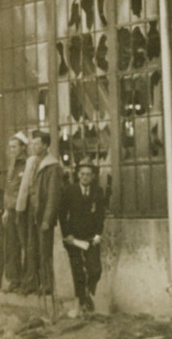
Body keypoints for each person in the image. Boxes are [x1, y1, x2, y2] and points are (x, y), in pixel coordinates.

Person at [59, 161, 108, 314]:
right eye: (82, 174)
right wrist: (67, 235)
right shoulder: (69, 191)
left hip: (91, 237)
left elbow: (101, 215)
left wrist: (99, 234)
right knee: (78, 271)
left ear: (93, 177)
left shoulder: (97, 192)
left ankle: (88, 290)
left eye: (88, 174)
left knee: (95, 269)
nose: (85, 177)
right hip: (73, 238)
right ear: (78, 175)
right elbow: (62, 214)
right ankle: (82, 301)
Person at [19, 131, 63, 296]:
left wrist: (48, 219)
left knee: (44, 251)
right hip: (30, 211)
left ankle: (46, 285)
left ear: (45, 146)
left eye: (37, 144)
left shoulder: (53, 167)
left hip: (43, 214)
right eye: (32, 144)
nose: (33, 146)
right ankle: (32, 282)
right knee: (31, 248)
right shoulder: (31, 162)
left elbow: (53, 196)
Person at [1, 132, 29, 291]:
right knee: (11, 246)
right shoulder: (12, 164)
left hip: (22, 210)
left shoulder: (28, 164)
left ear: (23, 148)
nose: (11, 150)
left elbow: (23, 190)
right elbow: (8, 188)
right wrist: (6, 209)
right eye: (10, 147)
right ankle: (14, 280)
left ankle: (26, 281)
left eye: (14, 147)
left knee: (25, 245)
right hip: (11, 211)